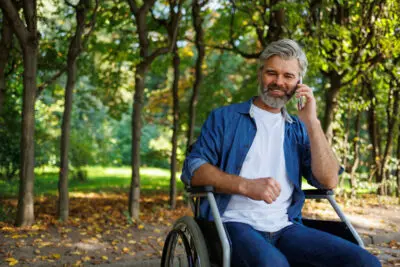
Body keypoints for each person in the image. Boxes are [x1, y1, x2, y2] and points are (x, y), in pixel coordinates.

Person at [181, 39, 381, 267]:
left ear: (299, 82)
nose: (278, 82)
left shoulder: (298, 129)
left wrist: (312, 122)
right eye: (271, 73)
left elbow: (329, 180)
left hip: (286, 227)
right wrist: (246, 185)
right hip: (232, 224)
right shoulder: (224, 118)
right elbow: (193, 168)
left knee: (364, 262)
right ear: (260, 74)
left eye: (288, 76)